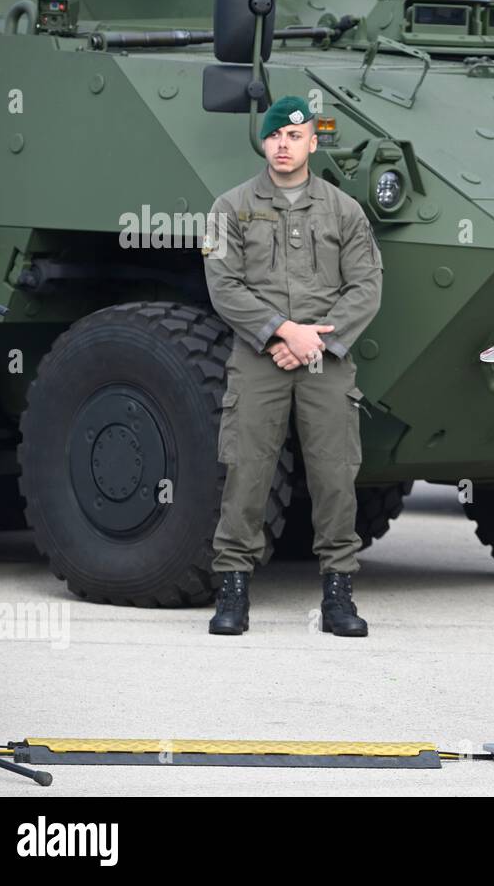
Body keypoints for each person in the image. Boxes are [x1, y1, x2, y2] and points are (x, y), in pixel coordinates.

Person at [202, 95, 384, 637]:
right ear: (265, 141)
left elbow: (367, 286)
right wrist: (284, 332)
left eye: (295, 136)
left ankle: (338, 595)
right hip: (260, 354)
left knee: (335, 473)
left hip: (325, 356)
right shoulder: (229, 208)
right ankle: (232, 589)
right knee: (246, 470)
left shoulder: (343, 210)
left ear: (312, 143)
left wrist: (315, 343)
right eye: (275, 136)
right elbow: (223, 287)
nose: (284, 145)